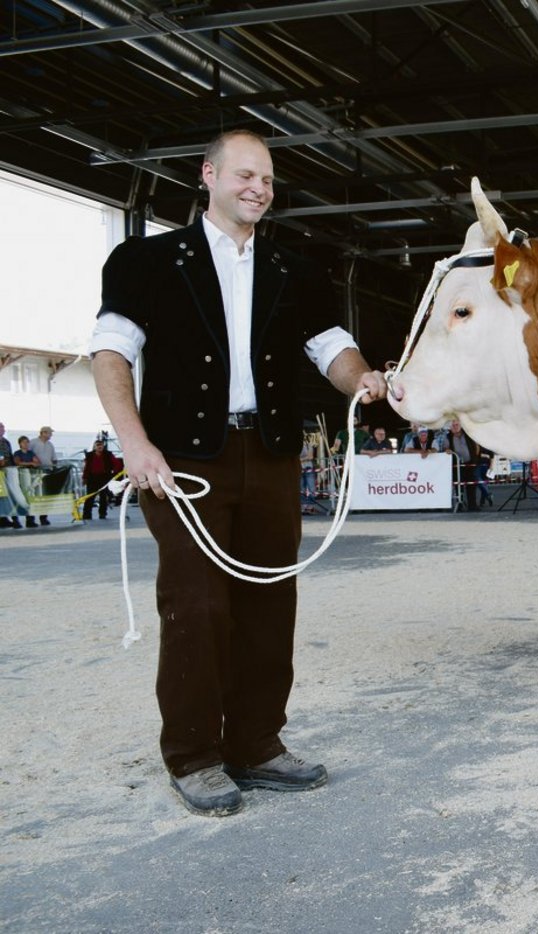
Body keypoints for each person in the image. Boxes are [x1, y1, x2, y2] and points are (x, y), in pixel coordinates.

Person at [90, 128, 388, 818]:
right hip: (184, 460)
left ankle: (256, 744)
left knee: (268, 603)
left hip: (272, 453)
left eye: (268, 180)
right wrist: (134, 445)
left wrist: (361, 380)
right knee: (196, 605)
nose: (258, 189)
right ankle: (194, 757)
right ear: (209, 175)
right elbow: (111, 354)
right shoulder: (144, 260)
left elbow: (331, 346)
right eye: (245, 175)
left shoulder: (291, 267)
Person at [442, 418, 482, 511]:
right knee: (458, 486)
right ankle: (460, 505)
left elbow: (476, 445)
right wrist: (447, 450)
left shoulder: (468, 434)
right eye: (453, 426)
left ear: (460, 425)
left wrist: (475, 457)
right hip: (457, 466)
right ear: (450, 428)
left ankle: (472, 505)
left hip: (470, 464)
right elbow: (445, 448)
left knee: (471, 486)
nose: (455, 427)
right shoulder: (448, 437)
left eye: (457, 425)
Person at [0, 421, 33, 529]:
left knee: (12, 495)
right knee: (3, 497)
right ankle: (4, 519)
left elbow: (9, 455)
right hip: (1, 473)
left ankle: (14, 519)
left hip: (9, 472)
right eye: (1, 428)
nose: (3, 430)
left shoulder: (6, 442)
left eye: (3, 428)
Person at [82, 437, 121, 520]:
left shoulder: (108, 454)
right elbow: (86, 468)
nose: (100, 447)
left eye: (101, 445)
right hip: (92, 478)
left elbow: (117, 463)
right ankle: (87, 514)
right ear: (95, 446)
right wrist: (84, 478)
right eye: (98, 445)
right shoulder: (89, 456)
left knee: (103, 497)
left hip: (104, 478)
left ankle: (102, 514)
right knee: (89, 497)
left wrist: (114, 473)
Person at [30, 426, 57, 526]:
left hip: (47, 471)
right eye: (49, 433)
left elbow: (54, 458)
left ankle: (43, 517)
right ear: (43, 433)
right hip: (34, 472)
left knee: (45, 495)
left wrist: (54, 466)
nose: (51, 435)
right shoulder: (33, 442)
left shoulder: (50, 445)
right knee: (33, 495)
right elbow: (27, 454)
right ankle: (30, 518)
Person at [11, 437, 40, 527]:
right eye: (24, 442)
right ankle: (16, 520)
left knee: (30, 497)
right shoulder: (17, 453)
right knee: (18, 497)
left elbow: (37, 462)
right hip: (19, 477)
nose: (26, 444)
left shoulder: (31, 453)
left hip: (30, 477)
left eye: (27, 442)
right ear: (20, 444)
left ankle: (30, 520)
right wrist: (30, 463)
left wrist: (30, 463)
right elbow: (18, 462)